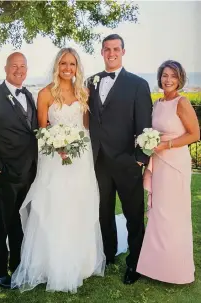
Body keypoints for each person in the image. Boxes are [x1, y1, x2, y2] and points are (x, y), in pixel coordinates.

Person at [11, 48, 105, 293]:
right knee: (53, 205)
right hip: (54, 160)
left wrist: (75, 148)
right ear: (57, 65)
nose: (67, 68)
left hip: (80, 160)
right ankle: (50, 263)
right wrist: (58, 146)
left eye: (72, 64)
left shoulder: (83, 92)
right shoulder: (45, 94)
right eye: (63, 63)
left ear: (77, 67)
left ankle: (81, 261)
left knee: (78, 205)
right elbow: (41, 131)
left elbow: (85, 129)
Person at [88, 34, 153, 284]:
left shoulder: (138, 84)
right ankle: (108, 253)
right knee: (103, 211)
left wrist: (139, 159)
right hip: (99, 161)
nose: (111, 53)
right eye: (107, 49)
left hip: (127, 161)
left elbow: (145, 126)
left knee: (133, 214)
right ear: (102, 52)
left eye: (116, 49)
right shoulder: (90, 82)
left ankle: (135, 263)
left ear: (123, 52)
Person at [0, 52, 38, 289]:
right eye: (15, 66)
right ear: (5, 68)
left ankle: (18, 263)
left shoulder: (29, 95)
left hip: (29, 174)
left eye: (23, 66)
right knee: (1, 223)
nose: (19, 70)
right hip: (6, 174)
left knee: (20, 222)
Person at [137, 60, 200, 284]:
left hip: (175, 164)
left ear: (180, 78)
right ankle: (156, 266)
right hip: (159, 163)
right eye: (165, 75)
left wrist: (166, 145)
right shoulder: (159, 103)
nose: (168, 80)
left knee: (174, 215)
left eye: (173, 75)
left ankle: (176, 269)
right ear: (160, 78)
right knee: (159, 214)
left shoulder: (182, 103)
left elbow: (195, 134)